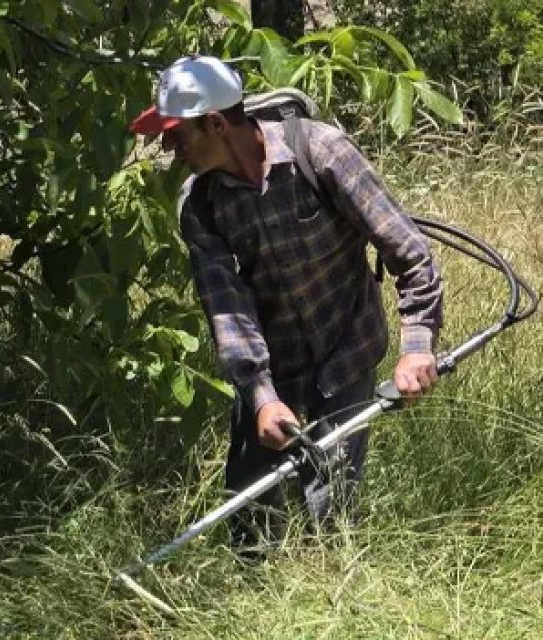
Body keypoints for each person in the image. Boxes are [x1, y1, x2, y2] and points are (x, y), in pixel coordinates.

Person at [129, 56, 444, 549]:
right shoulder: (200, 204)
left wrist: (418, 345)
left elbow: (407, 251)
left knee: (329, 506)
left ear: (215, 123)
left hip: (346, 350)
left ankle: (333, 603)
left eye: (176, 133)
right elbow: (226, 309)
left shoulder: (320, 152)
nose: (170, 148)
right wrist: (261, 395)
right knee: (248, 510)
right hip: (273, 365)